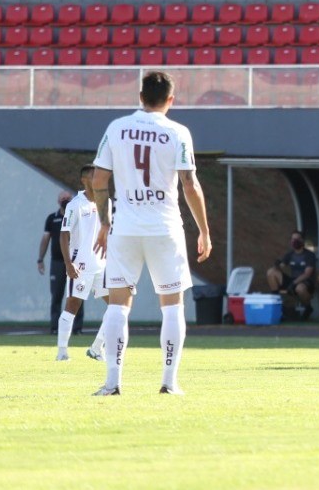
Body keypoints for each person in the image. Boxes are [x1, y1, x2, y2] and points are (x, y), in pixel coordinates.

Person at [91, 71, 212, 396]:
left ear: (140, 96)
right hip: (165, 227)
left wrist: (105, 222)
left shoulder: (116, 128)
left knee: (118, 304)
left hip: (126, 228)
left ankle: (113, 383)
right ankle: (169, 383)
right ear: (170, 100)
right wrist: (204, 229)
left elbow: (99, 180)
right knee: (172, 305)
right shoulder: (178, 132)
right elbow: (190, 184)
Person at [56, 165, 108, 362]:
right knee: (72, 306)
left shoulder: (107, 202)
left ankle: (96, 348)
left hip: (102, 265)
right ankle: (62, 352)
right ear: (85, 180)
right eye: (95, 176)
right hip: (81, 265)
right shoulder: (75, 205)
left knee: (117, 308)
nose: (100, 179)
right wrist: (69, 264)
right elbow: (63, 235)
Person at [38, 191, 78, 335]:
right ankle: (55, 327)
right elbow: (45, 239)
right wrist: (40, 259)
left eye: (68, 198)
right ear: (58, 201)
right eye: (63, 198)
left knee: (76, 294)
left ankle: (76, 328)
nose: (65, 200)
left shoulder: (77, 215)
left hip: (76, 261)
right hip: (57, 262)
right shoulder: (52, 218)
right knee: (56, 295)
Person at [267, 230, 317, 320]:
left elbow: (307, 274)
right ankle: (278, 305)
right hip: (292, 280)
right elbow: (281, 266)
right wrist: (276, 265)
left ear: (303, 240)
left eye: (297, 239)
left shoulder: (309, 255)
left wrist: (294, 283)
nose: (295, 241)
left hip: (305, 282)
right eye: (293, 239)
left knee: (300, 288)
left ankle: (308, 308)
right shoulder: (290, 254)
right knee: (271, 272)